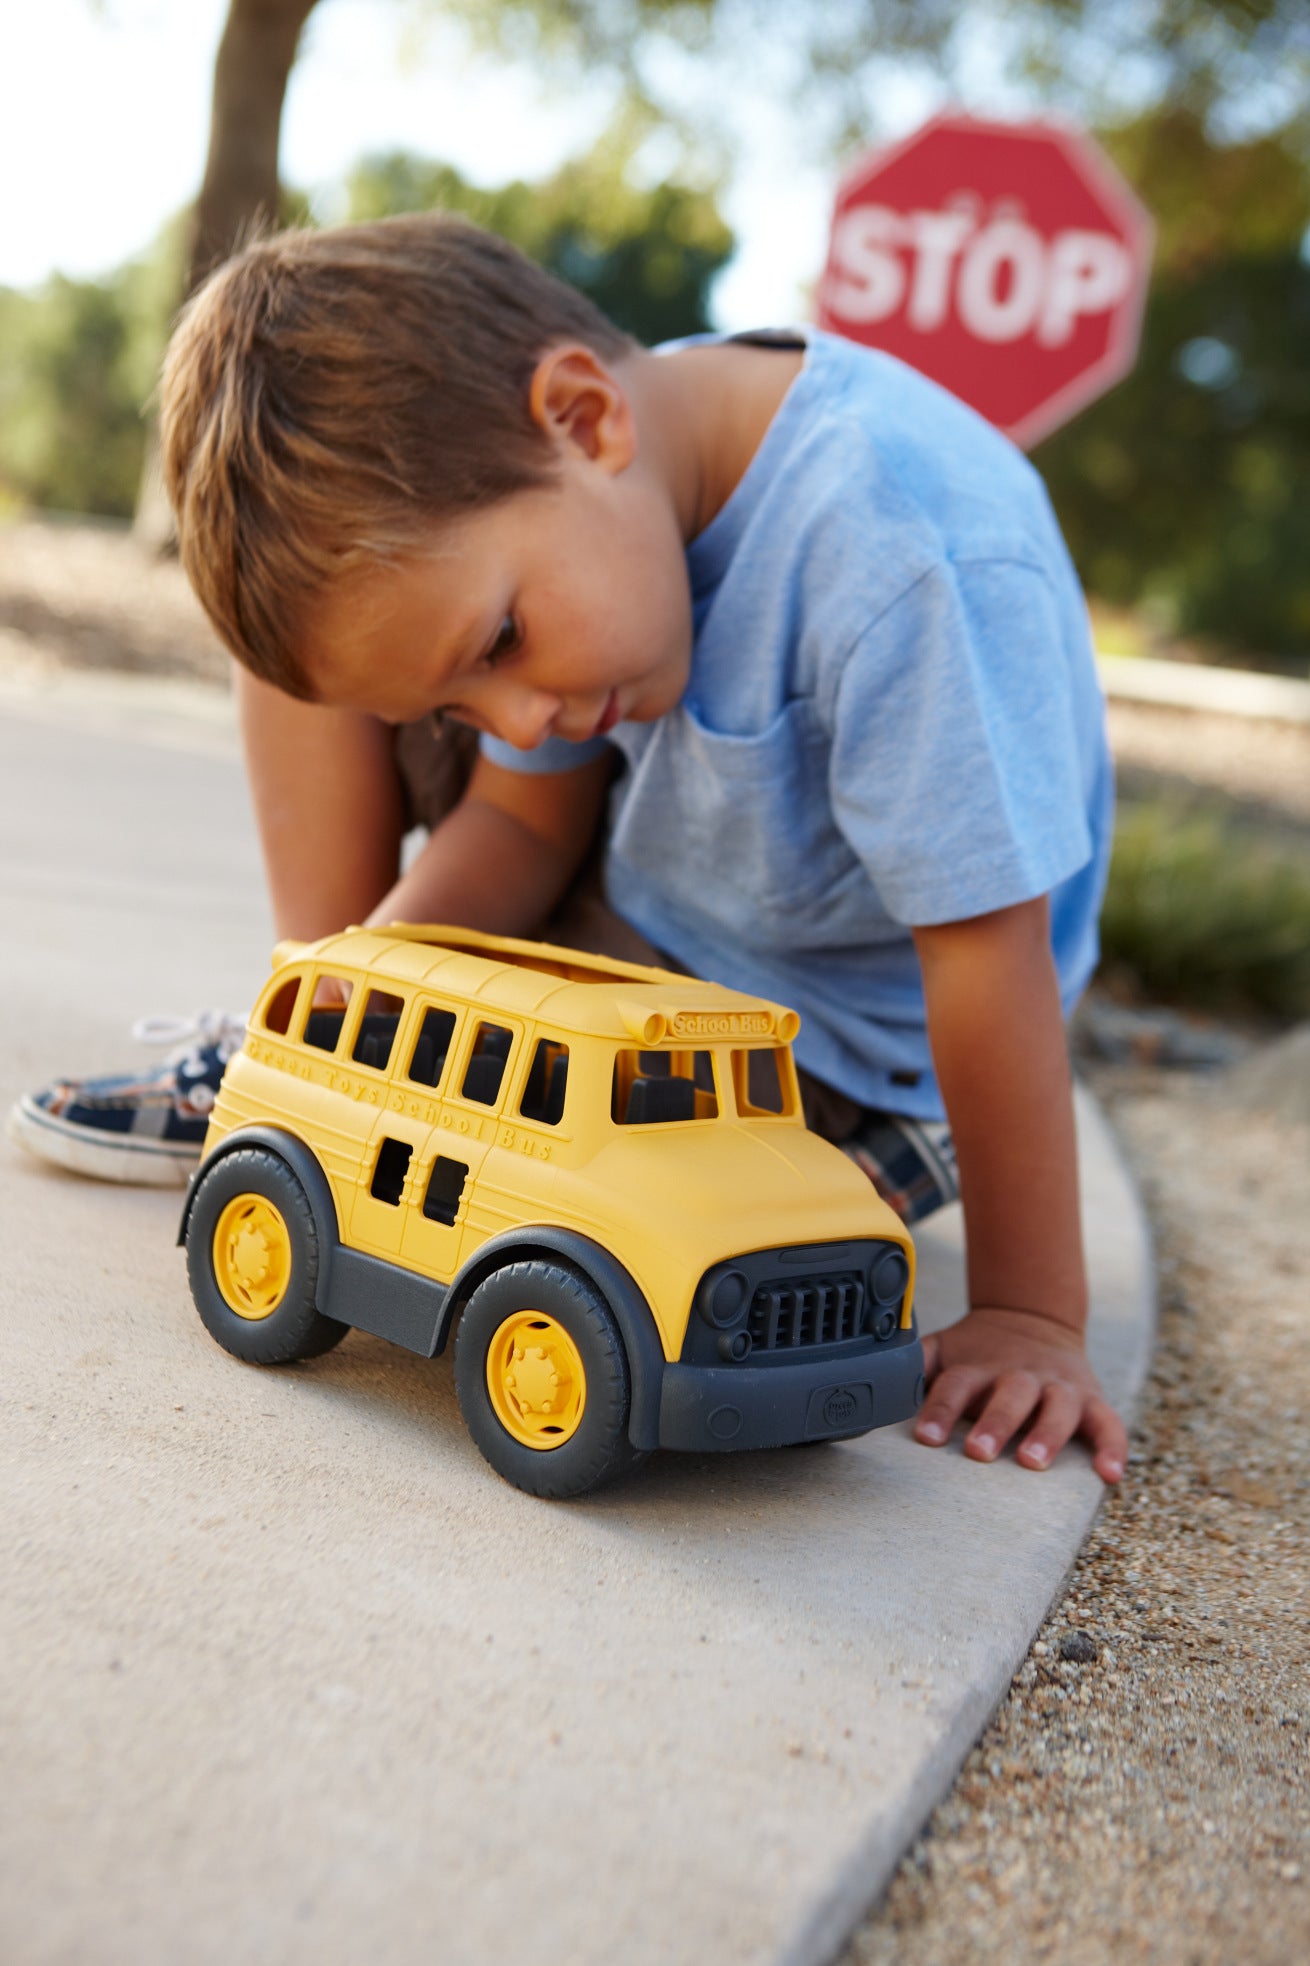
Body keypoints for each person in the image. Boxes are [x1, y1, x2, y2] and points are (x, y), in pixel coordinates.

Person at [7, 214, 1127, 1484]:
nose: (512, 722)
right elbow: (522, 818)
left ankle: (877, 1151)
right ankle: (309, 1057)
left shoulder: (902, 555)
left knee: (700, 1242)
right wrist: (363, 1004)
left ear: (584, 418)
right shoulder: (582, 529)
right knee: (315, 624)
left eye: (493, 649)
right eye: (463, 704)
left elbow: (987, 957)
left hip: (825, 1042)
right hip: (640, 924)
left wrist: (1033, 1312)